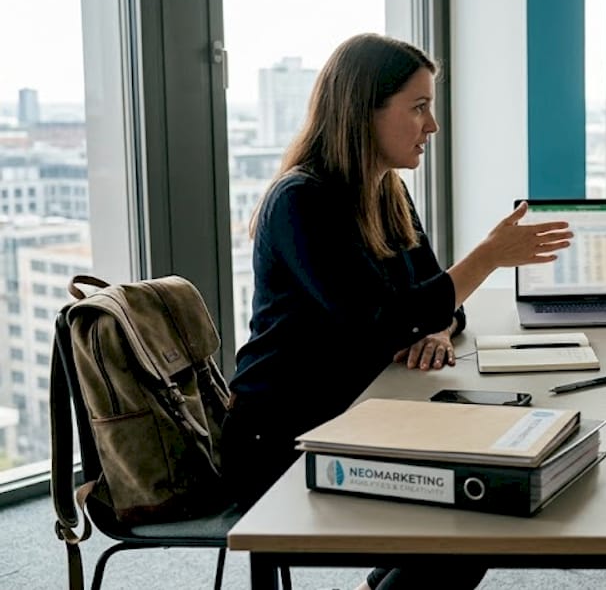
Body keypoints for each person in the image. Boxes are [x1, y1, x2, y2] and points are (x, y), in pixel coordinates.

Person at [222, 33, 573, 590]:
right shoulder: (301, 202)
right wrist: (483, 261)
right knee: (474, 512)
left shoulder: (386, 192)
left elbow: (433, 302)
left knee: (483, 495)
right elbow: (379, 321)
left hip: (365, 407)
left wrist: (436, 325)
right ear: (363, 112)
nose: (431, 126)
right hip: (284, 433)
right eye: (418, 107)